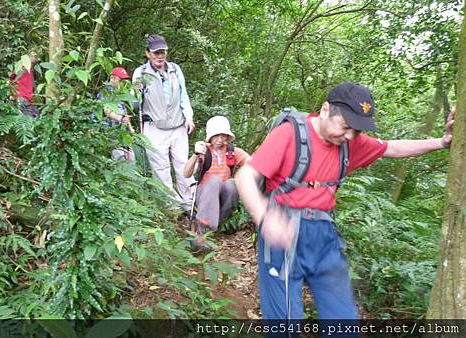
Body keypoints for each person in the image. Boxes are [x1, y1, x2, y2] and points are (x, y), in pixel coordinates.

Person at [235, 82, 454, 320]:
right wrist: (265, 217)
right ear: (326, 109)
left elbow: (392, 148)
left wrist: (442, 142)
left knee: (343, 320)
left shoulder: (350, 144)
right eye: (346, 127)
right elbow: (245, 175)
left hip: (325, 236)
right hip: (283, 232)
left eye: (357, 131)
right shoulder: (290, 134)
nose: (350, 136)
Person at [132, 34, 196, 213]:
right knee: (161, 167)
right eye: (156, 53)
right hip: (154, 127)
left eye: (163, 52)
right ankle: (172, 207)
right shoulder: (141, 73)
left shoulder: (175, 69)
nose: (160, 56)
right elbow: (135, 103)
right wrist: (136, 92)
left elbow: (184, 95)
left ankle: (189, 203)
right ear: (148, 53)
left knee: (183, 164)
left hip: (178, 126)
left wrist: (189, 117)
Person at [183, 116, 250, 251]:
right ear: (210, 136)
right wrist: (195, 155)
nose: (220, 140)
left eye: (223, 136)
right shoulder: (204, 151)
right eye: (216, 136)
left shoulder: (232, 152)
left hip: (222, 197)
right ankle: (200, 232)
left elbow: (253, 164)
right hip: (204, 194)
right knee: (214, 180)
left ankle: (211, 226)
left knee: (232, 184)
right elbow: (186, 173)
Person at [96, 66, 135, 162]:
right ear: (112, 78)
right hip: (109, 133)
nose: (123, 83)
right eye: (121, 80)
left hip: (121, 135)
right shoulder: (105, 92)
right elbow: (106, 110)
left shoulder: (120, 94)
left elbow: (124, 113)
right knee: (118, 158)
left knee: (130, 158)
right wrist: (120, 119)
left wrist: (131, 130)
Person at [9, 52, 39, 117]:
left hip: (28, 99)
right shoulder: (20, 67)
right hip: (21, 98)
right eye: (34, 56)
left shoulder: (30, 70)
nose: (36, 58)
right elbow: (11, 81)